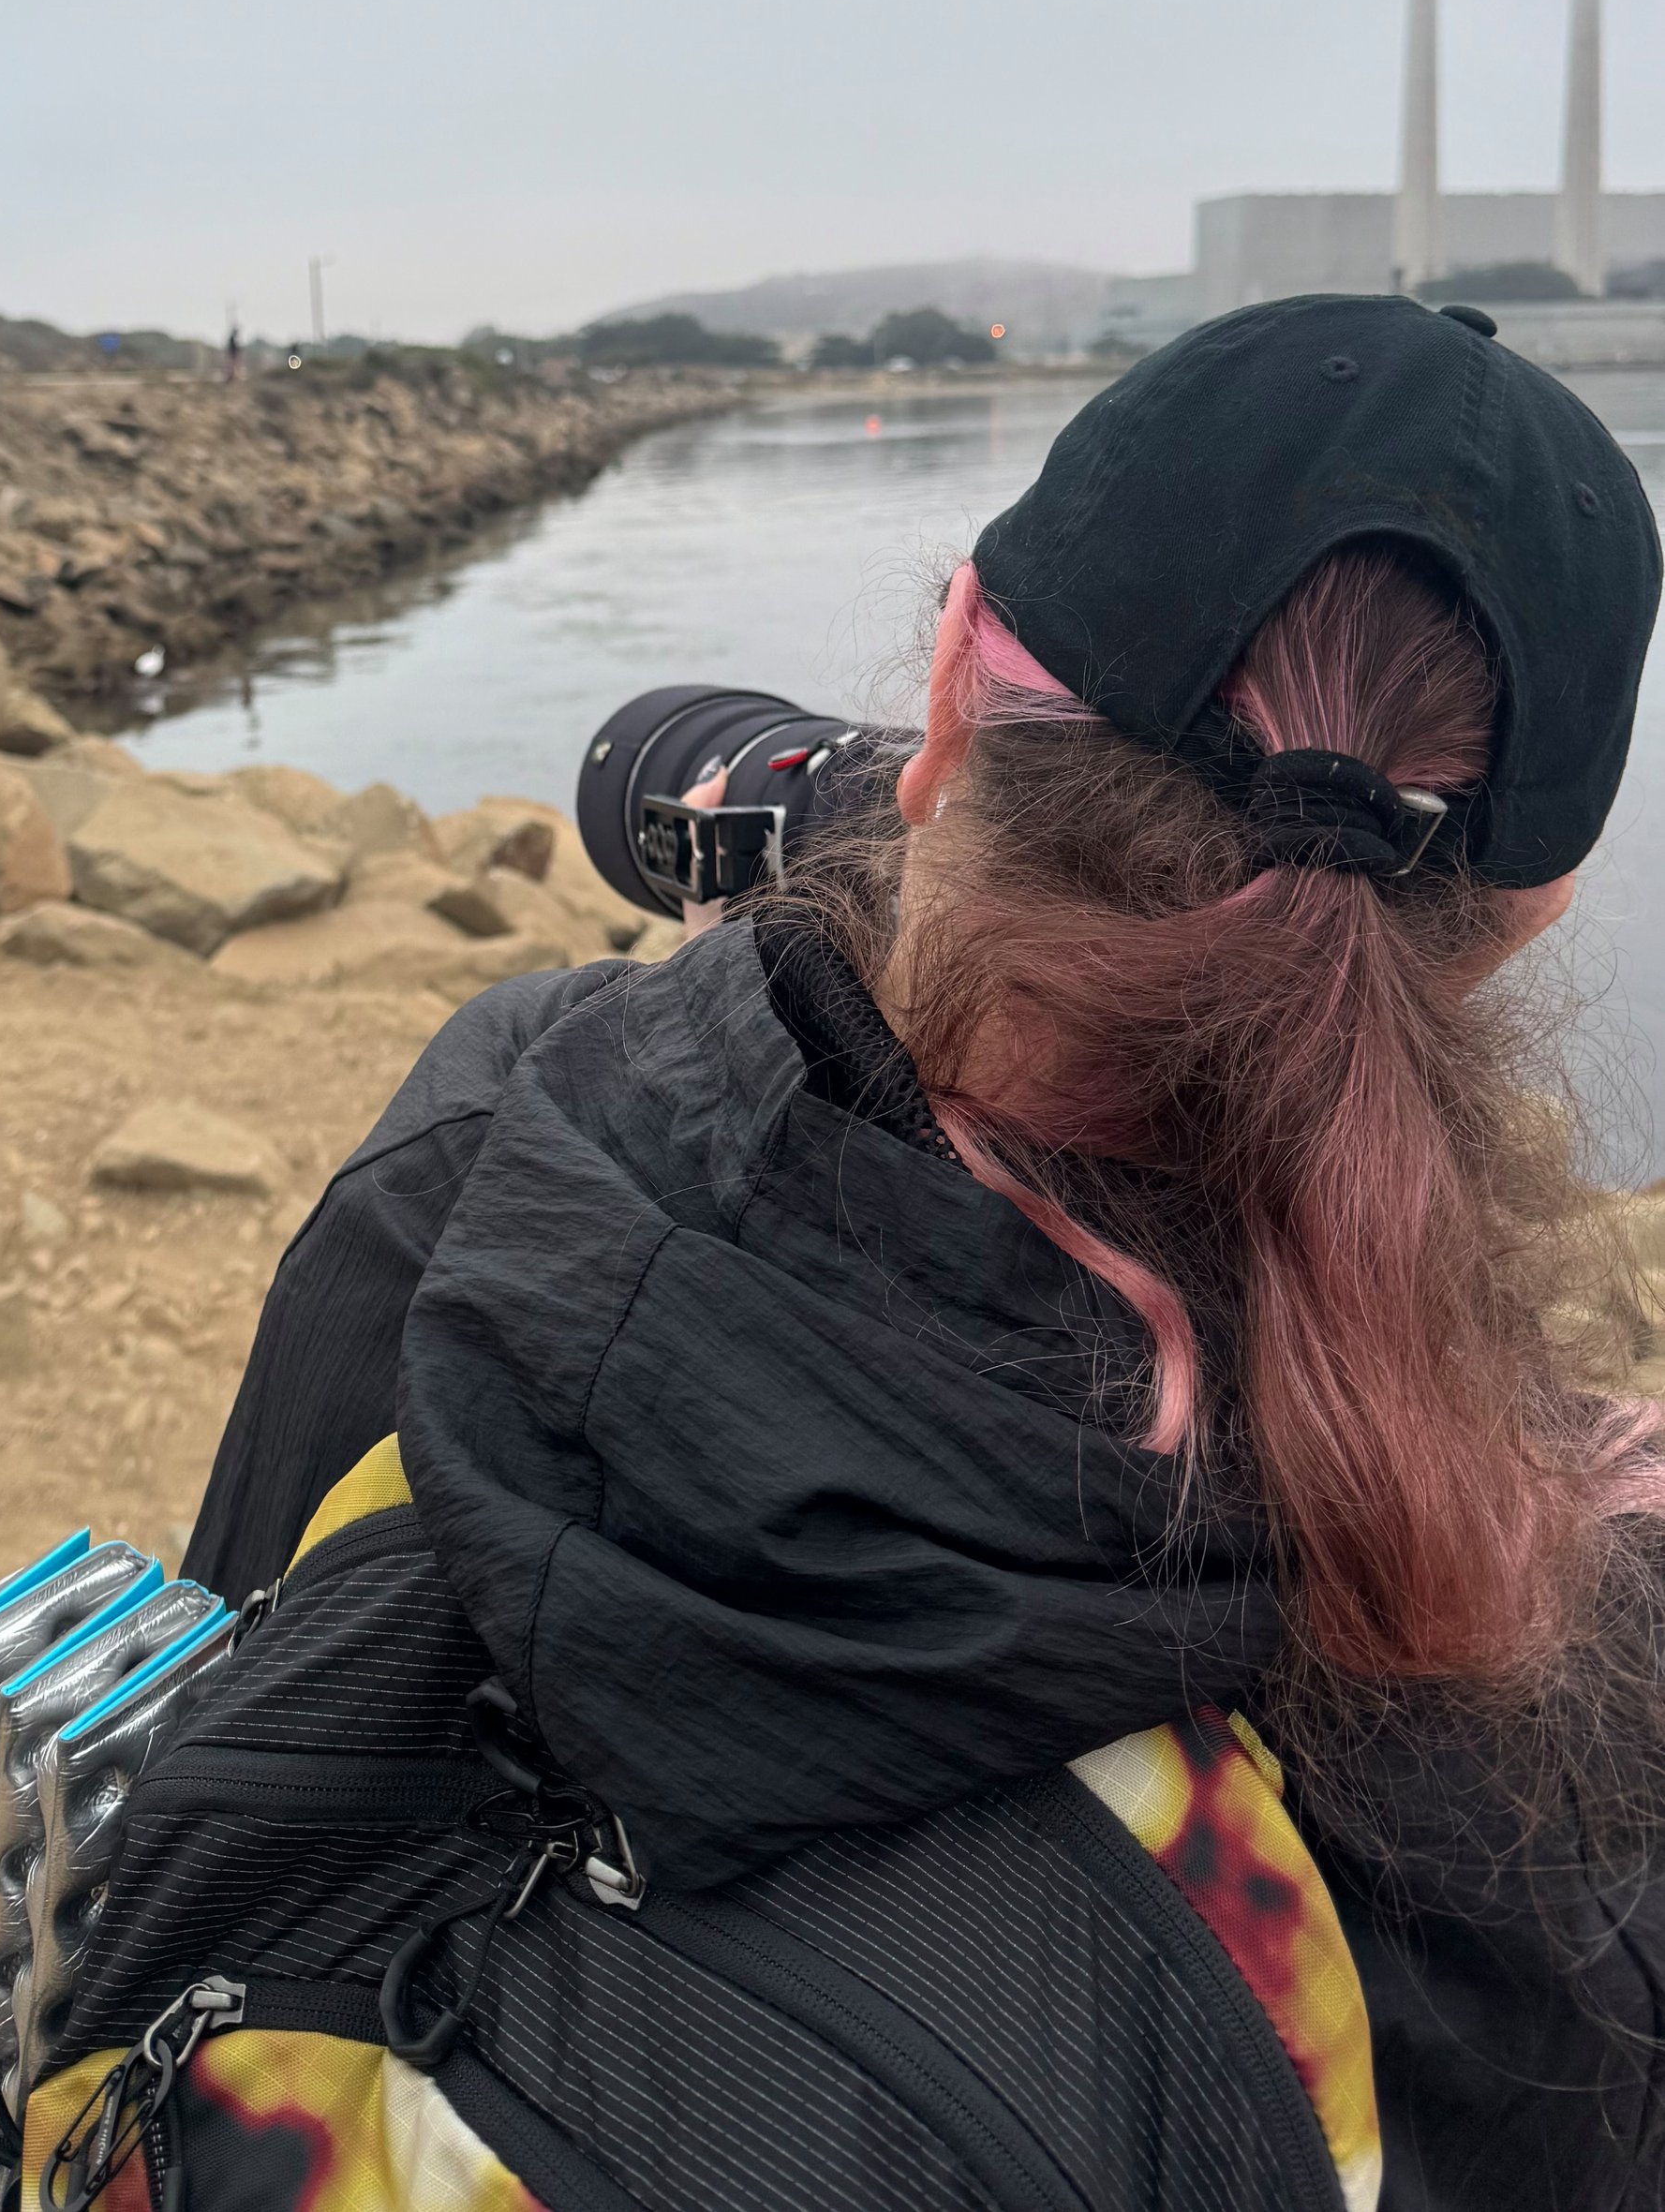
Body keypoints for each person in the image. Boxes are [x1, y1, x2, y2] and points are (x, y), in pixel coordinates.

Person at [186, 293, 1665, 2212]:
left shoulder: (490, 1150)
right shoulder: (1542, 1687)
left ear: (952, 685)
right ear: (1523, 916)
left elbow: (231, 1693)